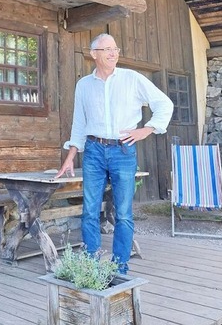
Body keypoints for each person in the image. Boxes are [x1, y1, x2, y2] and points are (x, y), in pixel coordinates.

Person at [55, 33, 173, 274]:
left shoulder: (132, 79)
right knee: (89, 210)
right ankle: (90, 263)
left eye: (115, 49)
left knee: (123, 212)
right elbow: (79, 123)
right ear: (94, 54)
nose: (113, 53)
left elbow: (164, 104)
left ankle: (120, 266)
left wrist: (146, 130)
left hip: (123, 150)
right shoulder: (84, 85)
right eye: (107, 49)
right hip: (93, 151)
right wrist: (70, 155)